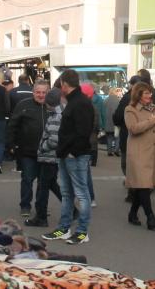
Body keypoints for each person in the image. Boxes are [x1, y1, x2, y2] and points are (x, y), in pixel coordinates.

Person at [44, 69, 94, 245]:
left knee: (81, 193)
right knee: (67, 193)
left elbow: (84, 131)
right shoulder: (74, 101)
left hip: (75, 155)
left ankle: (82, 231)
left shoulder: (80, 103)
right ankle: (64, 227)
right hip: (67, 154)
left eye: (61, 84)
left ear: (65, 84)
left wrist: (73, 151)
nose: (60, 87)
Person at [124, 83, 155, 231]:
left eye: (150, 93)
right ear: (138, 95)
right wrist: (151, 121)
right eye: (146, 94)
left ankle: (132, 213)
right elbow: (133, 129)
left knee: (145, 186)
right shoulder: (130, 110)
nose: (150, 96)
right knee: (143, 185)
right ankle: (150, 217)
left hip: (152, 153)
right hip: (138, 154)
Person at [8, 80, 50, 217]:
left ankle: (41, 207)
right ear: (33, 92)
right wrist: (12, 144)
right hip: (27, 150)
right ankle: (25, 205)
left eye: (44, 92)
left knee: (43, 182)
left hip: (47, 152)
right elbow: (12, 125)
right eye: (38, 92)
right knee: (27, 178)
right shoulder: (23, 105)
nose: (41, 95)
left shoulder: (52, 107)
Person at [26, 88, 64, 227]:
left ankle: (41, 217)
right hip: (50, 158)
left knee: (42, 189)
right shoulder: (58, 114)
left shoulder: (56, 117)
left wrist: (43, 147)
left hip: (48, 157)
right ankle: (72, 210)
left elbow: (54, 140)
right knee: (51, 185)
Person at [103, 86, 123, 156]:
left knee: (109, 137)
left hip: (107, 122)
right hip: (116, 122)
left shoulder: (105, 100)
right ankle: (116, 150)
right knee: (117, 136)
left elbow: (103, 111)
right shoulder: (118, 101)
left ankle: (109, 151)